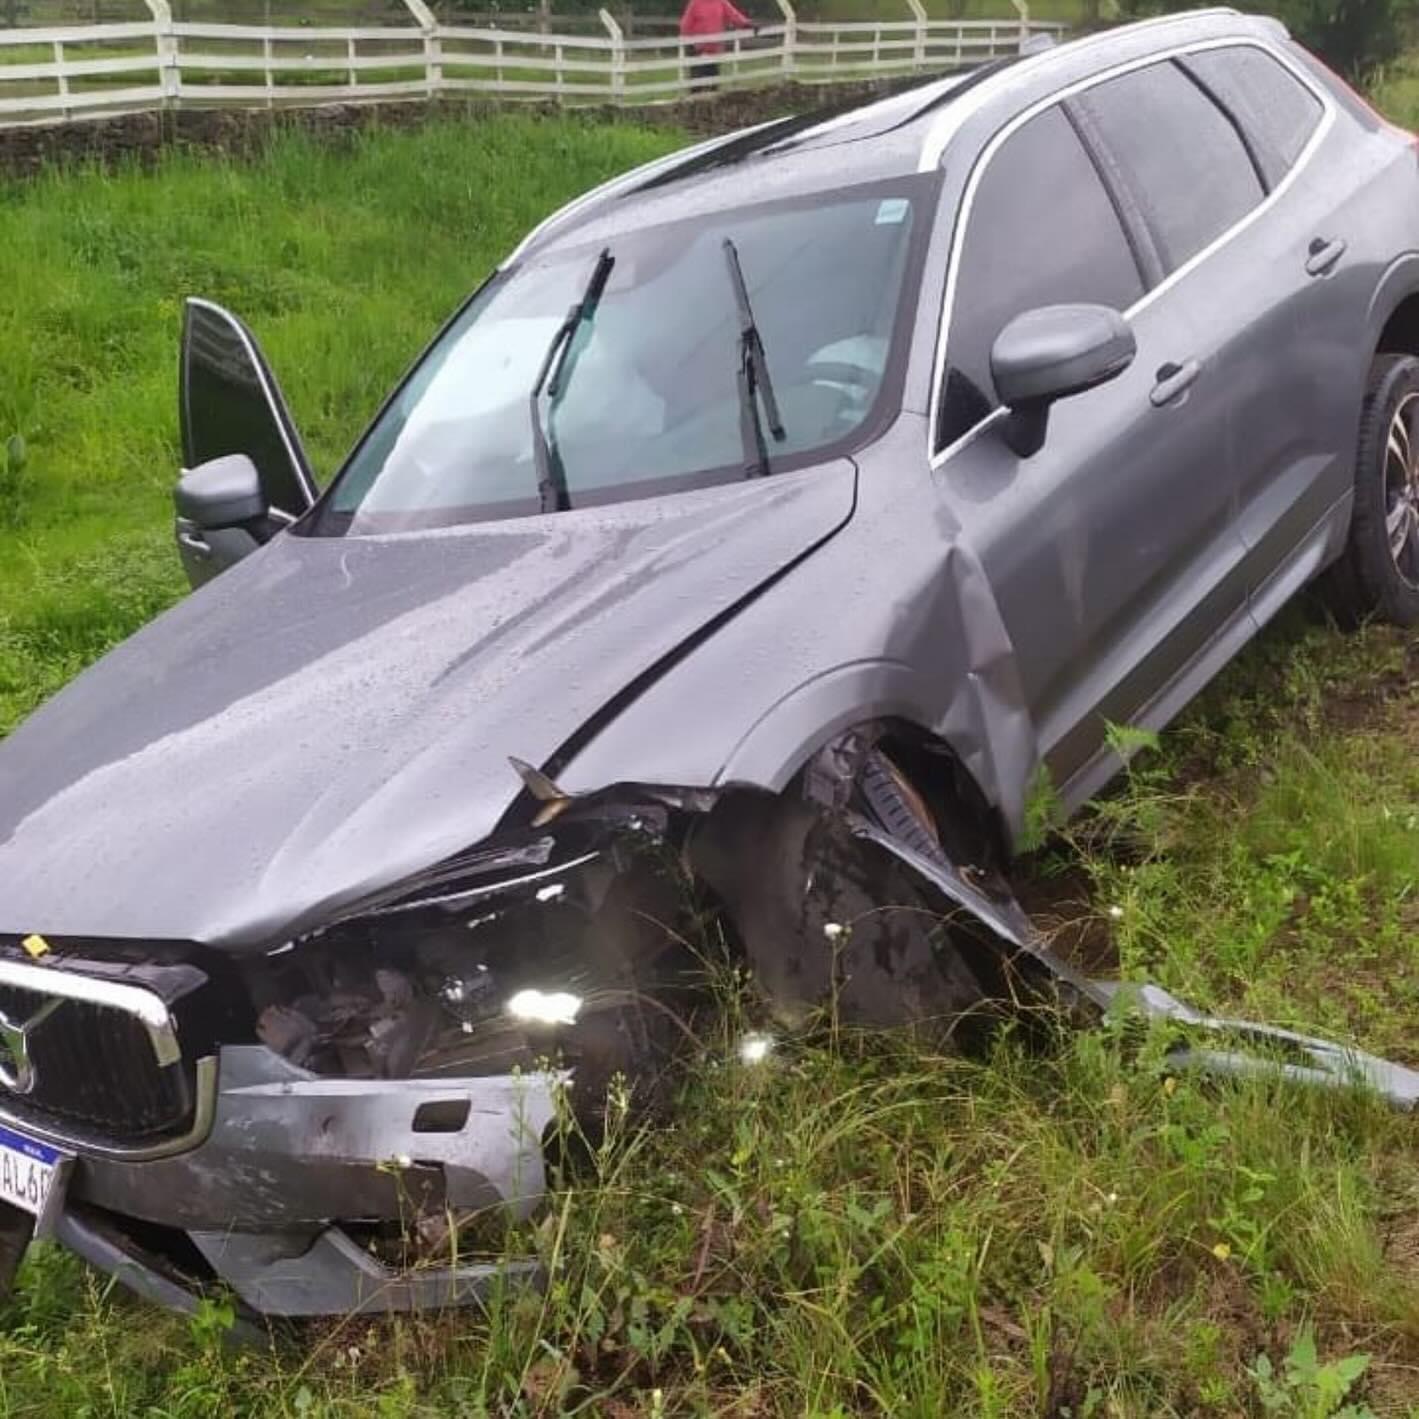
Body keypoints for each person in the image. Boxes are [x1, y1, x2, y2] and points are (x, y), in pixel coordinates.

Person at [678, 0, 754, 89]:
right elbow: (685, 25)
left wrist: (748, 25)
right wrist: (690, 43)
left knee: (713, 83)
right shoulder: (695, 3)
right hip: (698, 50)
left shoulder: (721, 2)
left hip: (714, 51)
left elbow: (734, 16)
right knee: (697, 82)